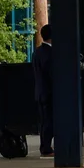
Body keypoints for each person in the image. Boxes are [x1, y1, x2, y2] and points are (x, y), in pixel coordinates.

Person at [32, 24, 54, 158]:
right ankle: (46, 148)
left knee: (44, 121)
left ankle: (45, 146)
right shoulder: (50, 54)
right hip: (49, 92)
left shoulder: (37, 52)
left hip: (40, 91)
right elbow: (51, 73)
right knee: (49, 121)